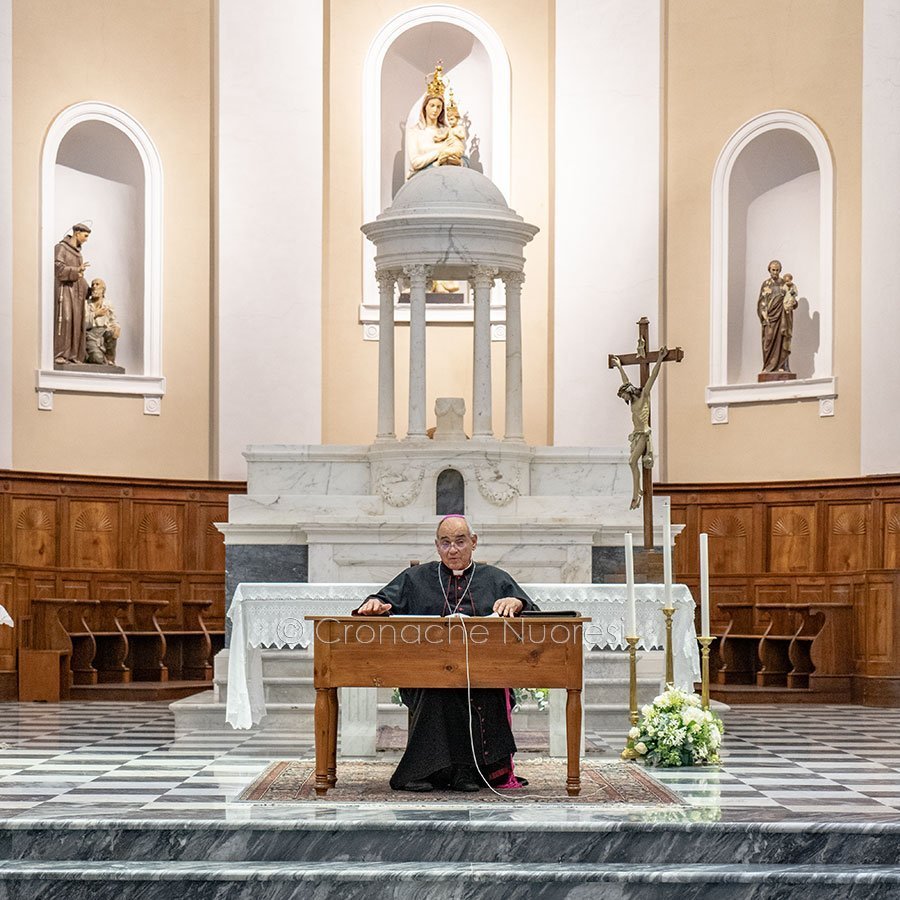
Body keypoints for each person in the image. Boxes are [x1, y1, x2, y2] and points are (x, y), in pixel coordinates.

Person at [355, 514, 539, 792]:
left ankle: (467, 773)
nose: (452, 549)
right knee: (440, 686)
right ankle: (426, 772)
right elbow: (381, 600)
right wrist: (375, 604)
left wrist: (517, 601)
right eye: (445, 543)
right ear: (437, 546)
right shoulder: (415, 578)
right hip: (425, 673)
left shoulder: (496, 579)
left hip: (483, 672)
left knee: (475, 686)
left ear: (473, 543)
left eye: (460, 542)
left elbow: (533, 613)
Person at [610, 347, 668, 510]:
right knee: (632, 463)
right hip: (635, 435)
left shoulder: (643, 396)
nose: (624, 399)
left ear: (629, 392)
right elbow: (625, 381)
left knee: (631, 461)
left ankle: (638, 493)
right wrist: (620, 366)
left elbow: (653, 377)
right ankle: (637, 492)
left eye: (624, 396)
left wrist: (659, 360)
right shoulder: (632, 399)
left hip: (643, 434)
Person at [53, 223, 91, 365]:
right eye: (85, 236)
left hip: (77, 292)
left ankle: (74, 355)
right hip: (65, 290)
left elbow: (80, 275)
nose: (86, 239)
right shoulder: (61, 248)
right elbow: (58, 269)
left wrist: (90, 290)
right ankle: (61, 354)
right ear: (77, 233)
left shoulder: (78, 254)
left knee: (76, 322)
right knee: (66, 319)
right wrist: (76, 270)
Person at [757, 259, 798, 374]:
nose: (775, 272)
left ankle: (782, 365)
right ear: (769, 270)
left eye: (777, 270)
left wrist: (793, 303)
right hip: (770, 317)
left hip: (782, 316)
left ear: (780, 270)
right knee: (768, 339)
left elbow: (791, 298)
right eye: (773, 270)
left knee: (782, 338)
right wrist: (763, 313)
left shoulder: (784, 284)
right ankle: (768, 366)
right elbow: (761, 301)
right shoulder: (766, 284)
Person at [84, 278, 121, 366]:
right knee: (98, 359)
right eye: (92, 285)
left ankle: (110, 358)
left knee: (111, 332)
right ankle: (92, 356)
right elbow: (82, 323)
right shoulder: (86, 304)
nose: (94, 287)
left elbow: (113, 320)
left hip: (104, 333)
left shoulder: (108, 303)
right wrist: (95, 314)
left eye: (97, 284)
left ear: (103, 289)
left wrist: (117, 328)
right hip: (90, 335)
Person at [434, 93, 468, 167]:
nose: (450, 122)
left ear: (457, 119)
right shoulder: (449, 129)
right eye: (449, 120)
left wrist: (457, 134)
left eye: (452, 119)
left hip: (457, 147)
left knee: (446, 152)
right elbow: (444, 136)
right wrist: (438, 138)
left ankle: (438, 162)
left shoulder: (459, 128)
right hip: (450, 147)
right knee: (445, 154)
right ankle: (441, 163)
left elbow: (463, 136)